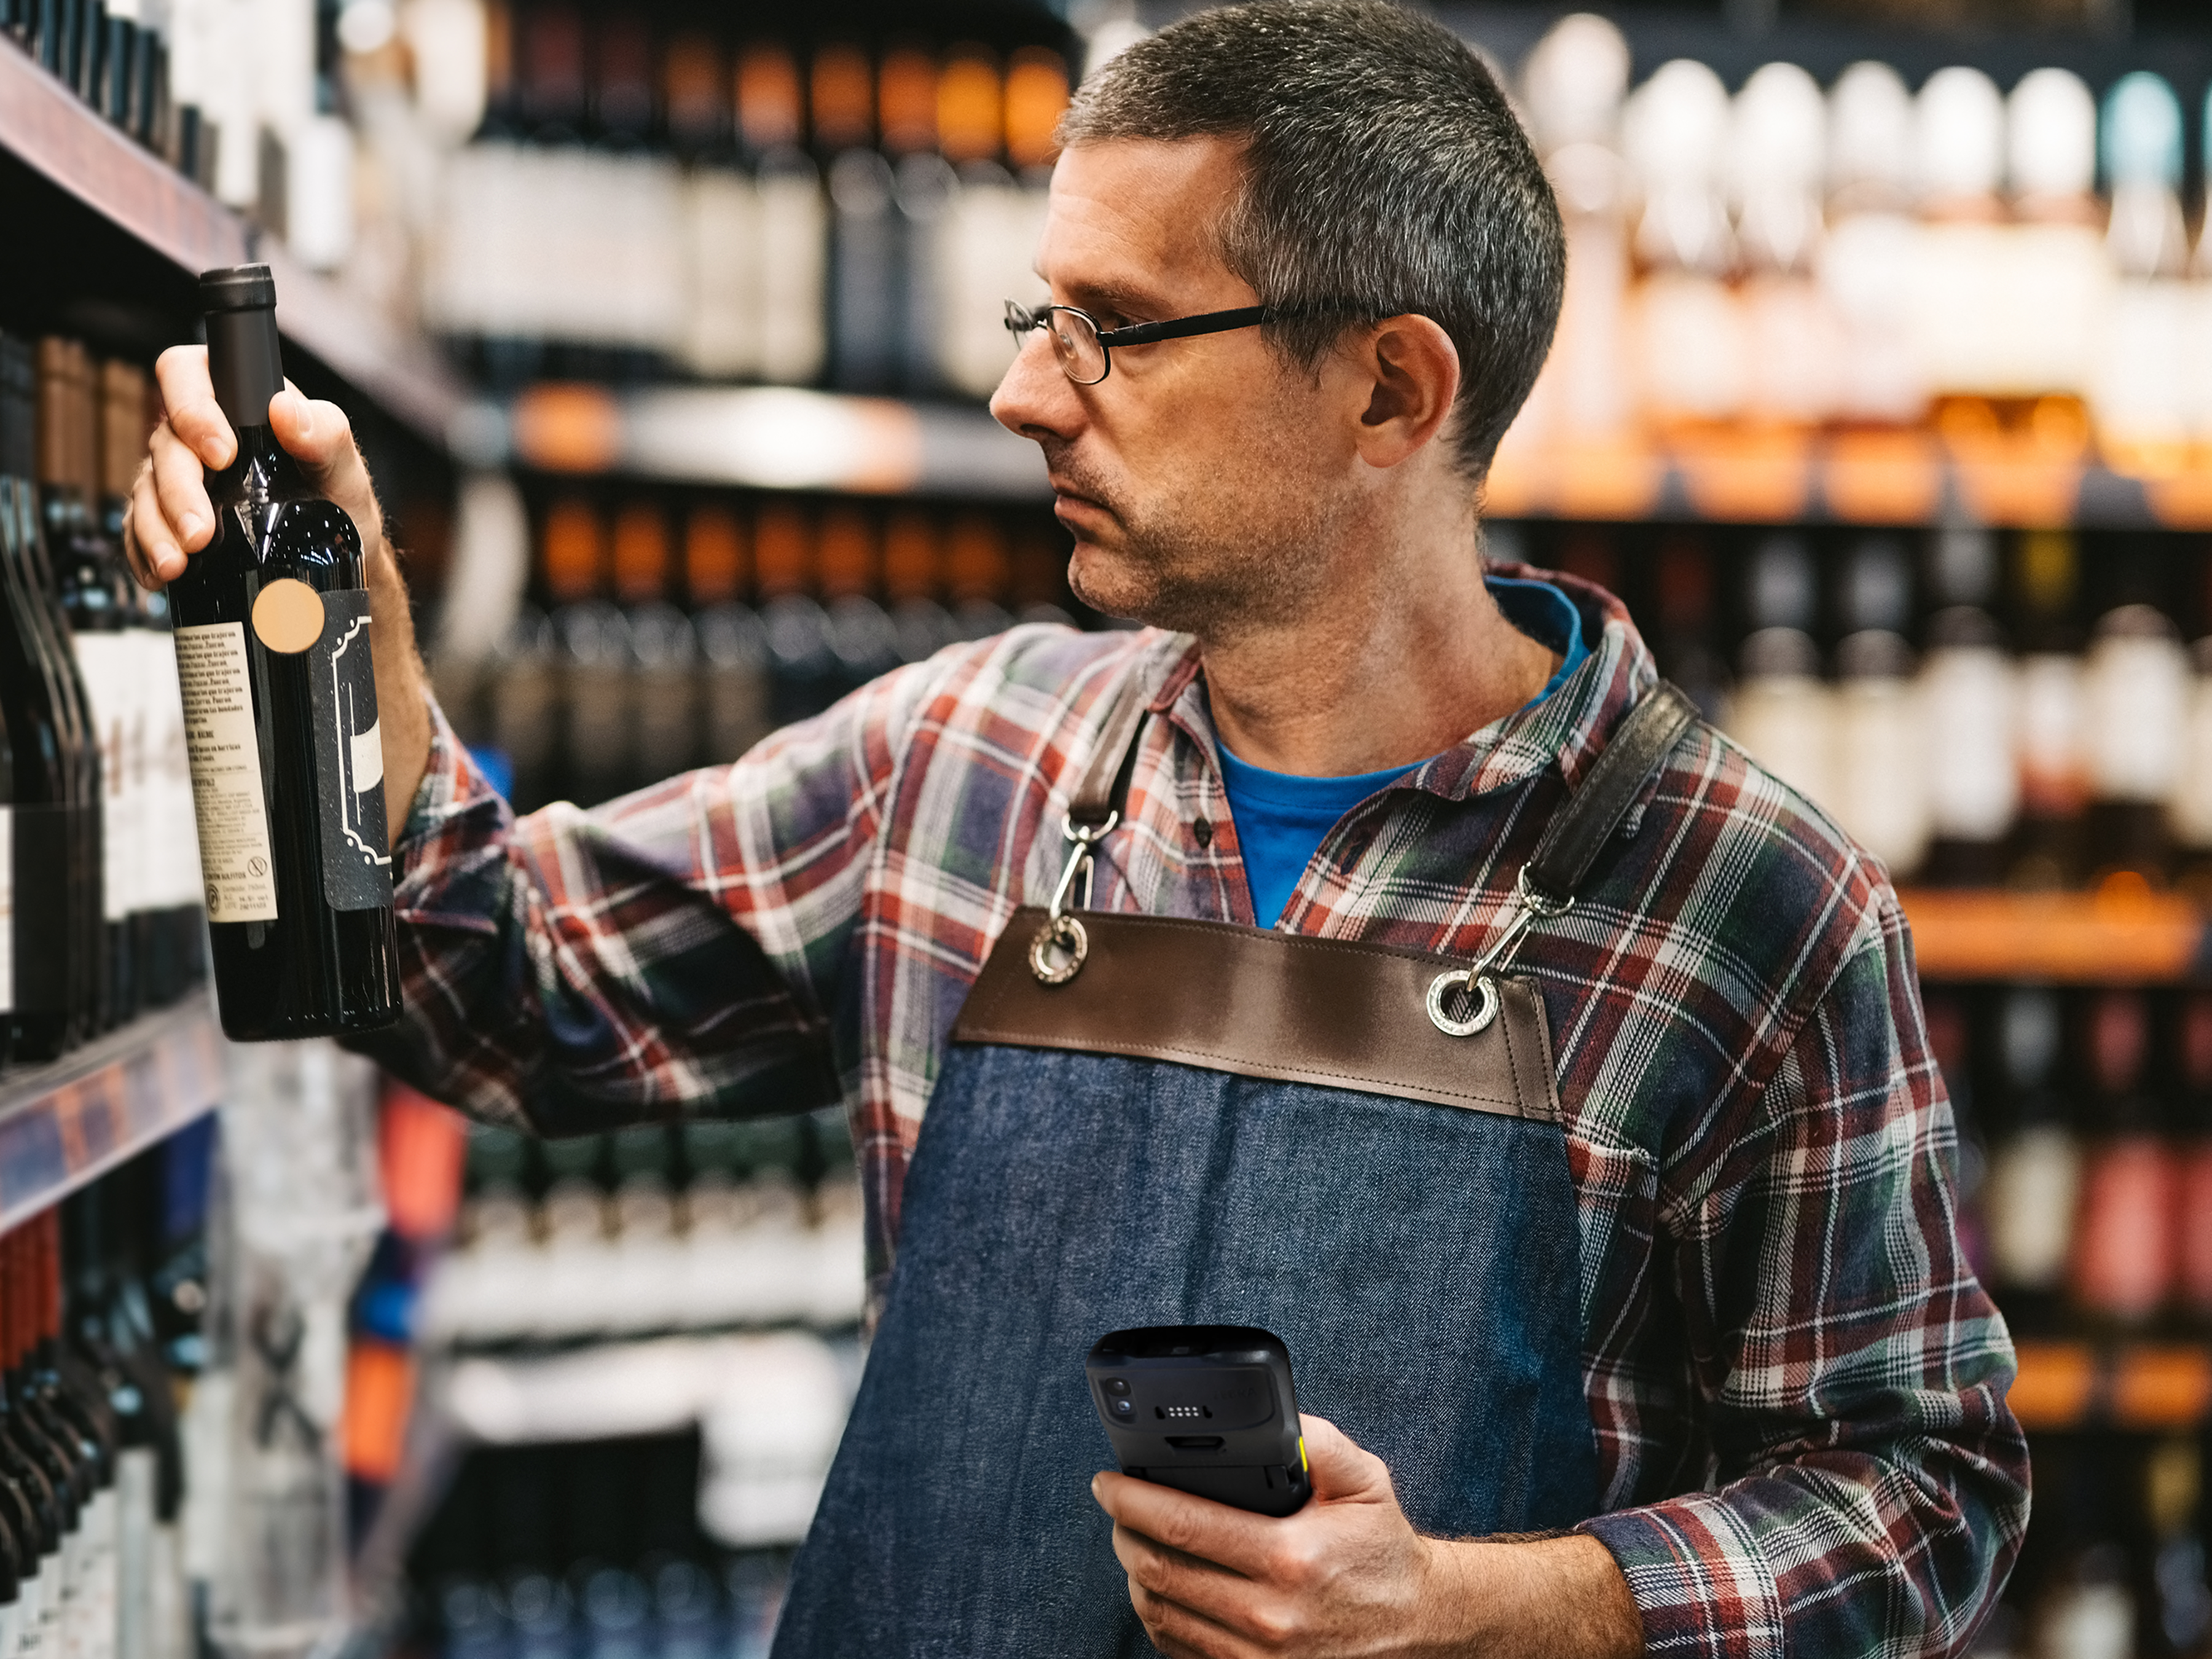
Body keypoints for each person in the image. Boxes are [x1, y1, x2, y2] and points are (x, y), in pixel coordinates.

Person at [125, 2, 2028, 1653]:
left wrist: (1481, 1610)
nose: (1022, 389)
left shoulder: (1744, 903)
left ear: (1391, 388)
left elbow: (1926, 1485)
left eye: (1112, 330)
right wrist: (340, 628)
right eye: (1045, 310)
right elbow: (477, 973)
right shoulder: (966, 759)